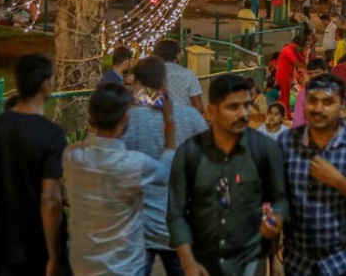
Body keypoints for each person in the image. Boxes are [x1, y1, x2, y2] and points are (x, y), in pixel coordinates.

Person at [168, 74, 289, 276]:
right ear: (212, 111)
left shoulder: (265, 149)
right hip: (203, 264)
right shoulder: (190, 153)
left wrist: (276, 218)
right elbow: (176, 214)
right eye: (233, 107)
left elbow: (281, 199)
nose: (243, 114)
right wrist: (188, 262)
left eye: (247, 105)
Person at [277, 73, 346, 276]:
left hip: (343, 263)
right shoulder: (286, 143)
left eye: (328, 102)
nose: (319, 108)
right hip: (298, 264)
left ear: (341, 106)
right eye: (313, 101)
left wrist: (339, 181)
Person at [64, 83, 177, 275]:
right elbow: (166, 171)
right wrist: (169, 120)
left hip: (83, 265)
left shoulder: (72, 157)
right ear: (125, 118)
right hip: (126, 267)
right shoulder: (134, 164)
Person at [0, 53, 69, 275]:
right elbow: (50, 200)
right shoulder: (52, 134)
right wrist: (54, 257)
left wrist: (7, 179)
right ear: (45, 85)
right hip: (38, 243)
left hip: (5, 238)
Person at [123, 57, 209, 276]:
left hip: (138, 225)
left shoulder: (127, 122)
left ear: (137, 84)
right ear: (164, 81)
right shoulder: (190, 117)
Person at [155, 39, 205, 114]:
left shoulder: (151, 74)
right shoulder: (188, 74)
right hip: (183, 121)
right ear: (177, 55)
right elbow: (199, 107)